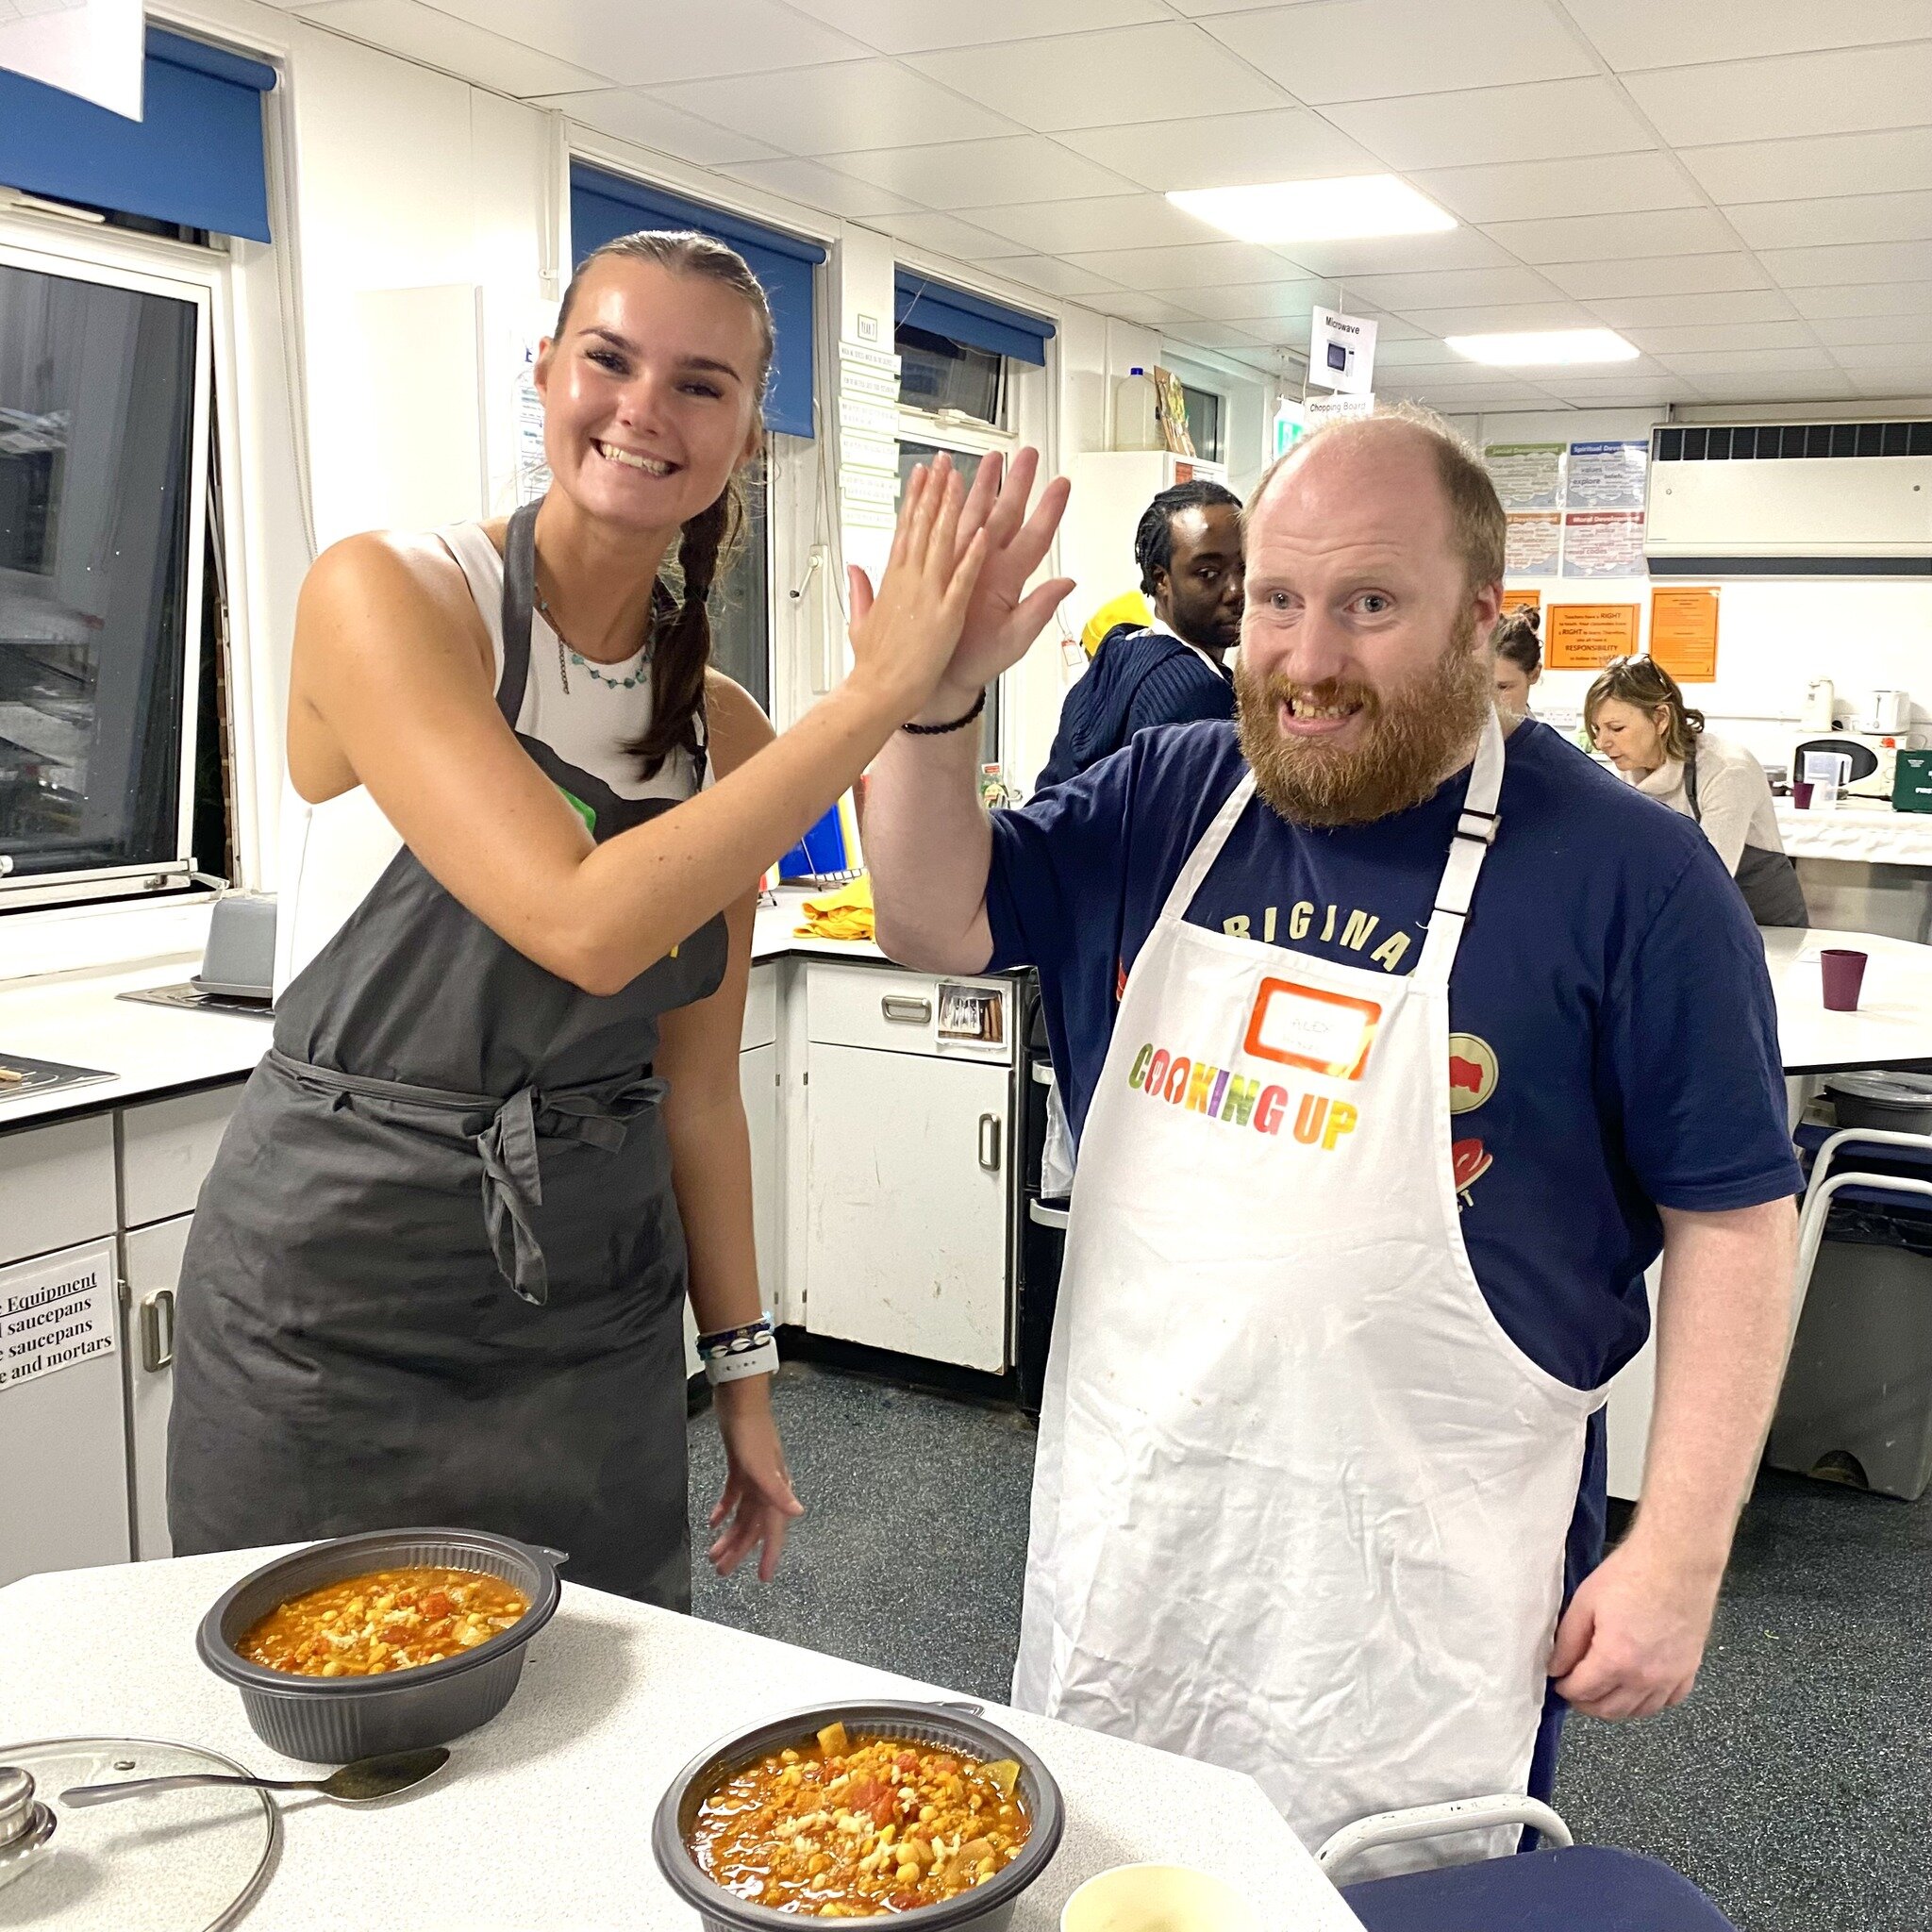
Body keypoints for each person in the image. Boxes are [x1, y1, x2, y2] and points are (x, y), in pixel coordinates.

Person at [861, 410, 1800, 1870]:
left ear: (1482, 617)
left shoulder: (1635, 877)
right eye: (1278, 600)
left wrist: (1680, 1548)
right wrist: (930, 711)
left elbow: (1737, 1215)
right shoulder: (1174, 792)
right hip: (1139, 1529)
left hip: (1419, 1575)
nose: (1304, 660)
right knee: (1116, 1871)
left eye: (1370, 604)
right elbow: (935, 920)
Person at [168, 229, 996, 1605]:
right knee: (323, 1718)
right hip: (336, 1297)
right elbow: (582, 919)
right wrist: (867, 703)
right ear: (544, 370)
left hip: (591, 1311)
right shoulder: (392, 598)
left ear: (747, 435)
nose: (642, 410)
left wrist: (740, 1374)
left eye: (702, 385)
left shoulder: (721, 731)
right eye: (608, 359)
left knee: (594, 1702)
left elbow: (700, 1096)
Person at [1037, 480, 1243, 789]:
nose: (1237, 590)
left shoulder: (1120, 649)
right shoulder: (1196, 693)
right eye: (1208, 574)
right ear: (1161, 580)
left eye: (1246, 567)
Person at [1587, 656, 1807, 929]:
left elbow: (1709, 881)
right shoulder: (1629, 769)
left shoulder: (1726, 770)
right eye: (1597, 729)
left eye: (1616, 728)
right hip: (1687, 918)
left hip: (1764, 926)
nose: (1601, 743)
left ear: (1661, 718)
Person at [1491, 606, 1541, 716]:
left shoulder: (1544, 733)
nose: (1490, 701)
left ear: (1534, 674)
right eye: (1479, 688)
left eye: (1503, 687)